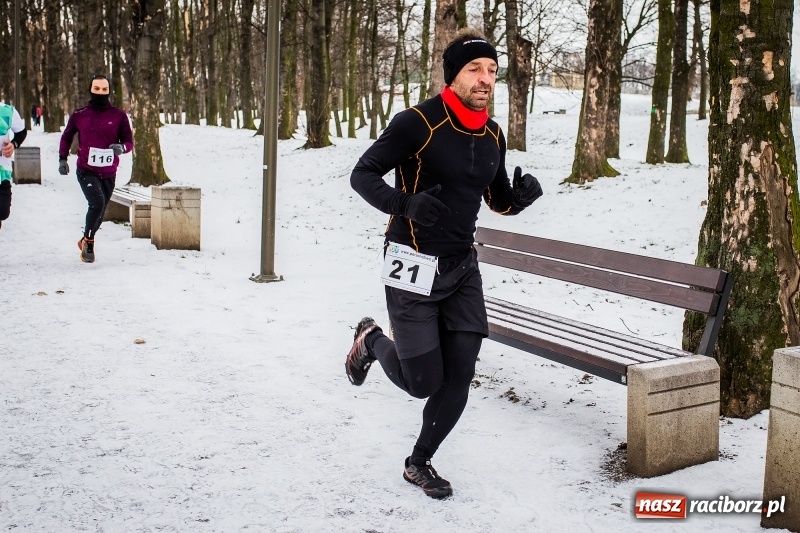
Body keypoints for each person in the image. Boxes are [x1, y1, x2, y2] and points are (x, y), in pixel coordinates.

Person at [344, 28, 543, 499]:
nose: (485, 79)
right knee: (422, 382)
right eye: (475, 69)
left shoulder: (492, 132)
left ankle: (419, 462)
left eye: (492, 70)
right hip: (410, 260)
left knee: (460, 375)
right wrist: (405, 204)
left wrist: (519, 200)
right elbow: (361, 174)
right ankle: (372, 340)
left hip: (461, 267)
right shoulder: (418, 122)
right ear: (453, 73)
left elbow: (495, 198)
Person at [59, 74, 133, 263]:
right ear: (91, 90)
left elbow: (128, 141)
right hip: (86, 169)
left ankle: (84, 239)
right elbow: (67, 136)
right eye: (97, 89)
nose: (100, 93)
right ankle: (89, 243)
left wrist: (122, 148)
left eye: (104, 90)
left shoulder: (118, 116)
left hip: (108, 171)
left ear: (109, 91)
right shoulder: (80, 114)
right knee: (97, 204)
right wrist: (62, 159)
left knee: (101, 209)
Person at [0, 101, 28, 230]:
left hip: (2, 172)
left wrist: (13, 144)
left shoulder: (6, 111)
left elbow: (21, 132)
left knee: (2, 212)